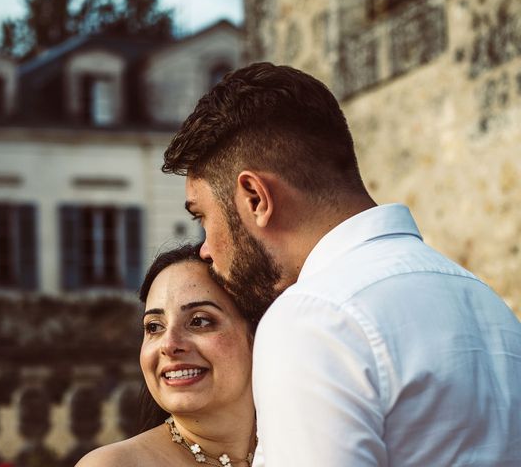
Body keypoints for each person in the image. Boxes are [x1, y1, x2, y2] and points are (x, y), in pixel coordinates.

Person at [162, 62, 521, 466]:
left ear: (256, 199)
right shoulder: (485, 301)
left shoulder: (313, 318)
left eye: (203, 218)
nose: (205, 249)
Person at [76, 244, 258, 467]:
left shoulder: (301, 446)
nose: (169, 345)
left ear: (256, 332)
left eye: (199, 321)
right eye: (154, 327)